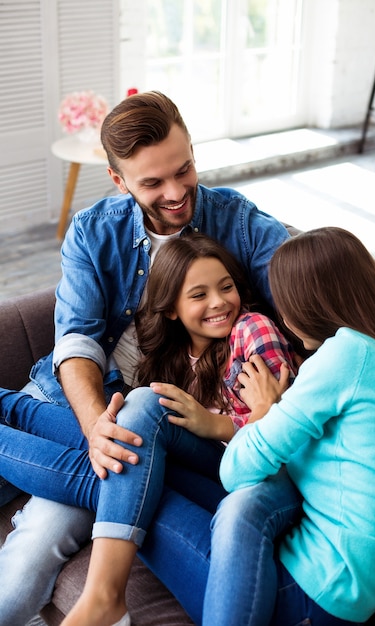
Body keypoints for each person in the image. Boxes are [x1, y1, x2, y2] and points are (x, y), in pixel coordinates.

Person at [0, 91, 291, 625]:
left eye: (185, 170)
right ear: (119, 181)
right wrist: (94, 428)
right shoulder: (93, 230)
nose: (178, 192)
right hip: (74, 400)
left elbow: (315, 290)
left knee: (16, 590)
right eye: (153, 183)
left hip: (149, 420)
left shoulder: (238, 222)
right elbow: (78, 339)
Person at [205, 226, 375, 625]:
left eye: (283, 304)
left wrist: (264, 411)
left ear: (306, 305)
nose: (281, 317)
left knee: (164, 507)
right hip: (349, 584)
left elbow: (236, 471)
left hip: (323, 587)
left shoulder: (346, 353)